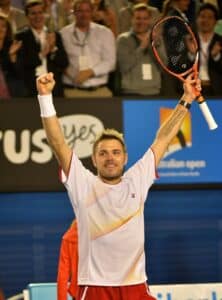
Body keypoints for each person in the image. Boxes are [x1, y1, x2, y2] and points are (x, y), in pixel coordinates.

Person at [35, 70, 200, 300]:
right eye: (102, 153)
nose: (110, 157)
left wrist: (187, 99)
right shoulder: (82, 183)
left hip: (135, 286)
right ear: (93, 160)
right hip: (94, 288)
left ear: (125, 157)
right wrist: (45, 98)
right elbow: (57, 142)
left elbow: (163, 138)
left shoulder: (137, 180)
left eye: (115, 152)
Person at [60, 0, 116, 98]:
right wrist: (73, 75)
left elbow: (110, 62)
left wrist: (91, 72)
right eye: (80, 11)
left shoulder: (105, 33)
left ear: (92, 12)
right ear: (73, 12)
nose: (84, 14)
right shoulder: (63, 34)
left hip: (100, 91)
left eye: (87, 11)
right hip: (72, 91)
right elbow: (60, 61)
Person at [15, 0, 69, 97]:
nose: (37, 17)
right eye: (33, 13)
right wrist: (42, 54)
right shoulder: (20, 37)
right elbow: (21, 65)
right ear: (27, 16)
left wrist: (53, 49)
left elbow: (64, 63)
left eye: (40, 12)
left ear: (45, 14)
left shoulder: (55, 35)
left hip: (54, 89)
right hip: (30, 90)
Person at [117, 3, 166, 96]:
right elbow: (124, 66)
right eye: (138, 18)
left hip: (154, 91)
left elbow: (164, 66)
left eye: (145, 18)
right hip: (131, 92)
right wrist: (142, 47)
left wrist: (156, 46)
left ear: (150, 20)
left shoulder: (157, 39)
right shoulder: (123, 39)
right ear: (132, 19)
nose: (141, 22)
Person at [194, 3, 222, 96]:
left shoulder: (220, 41)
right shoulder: (189, 39)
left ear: (216, 21)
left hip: (216, 89)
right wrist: (191, 54)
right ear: (197, 19)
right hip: (192, 89)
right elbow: (179, 66)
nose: (205, 20)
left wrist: (216, 56)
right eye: (202, 16)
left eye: (210, 17)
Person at [0, 12, 23, 98]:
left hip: (11, 92)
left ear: (7, 29)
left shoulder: (14, 45)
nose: (0, 29)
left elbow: (20, 73)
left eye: (3, 26)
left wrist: (12, 56)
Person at [57, 220, 78, 300]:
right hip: (103, 290)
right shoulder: (104, 233)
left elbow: (63, 275)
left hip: (78, 293)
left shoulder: (68, 238)